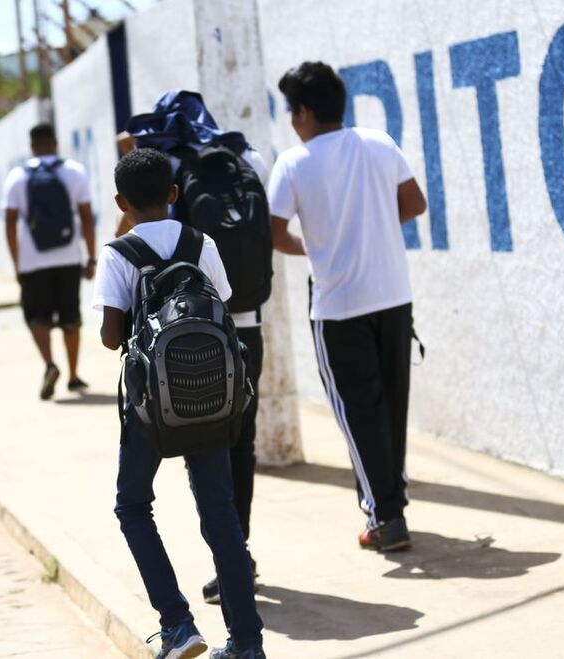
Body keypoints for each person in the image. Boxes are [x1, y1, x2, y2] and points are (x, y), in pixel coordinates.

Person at [93, 148, 266, 659]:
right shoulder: (200, 242)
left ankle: (177, 624)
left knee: (132, 505)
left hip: (152, 404)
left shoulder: (118, 253)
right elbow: (226, 305)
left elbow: (109, 336)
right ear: (174, 194)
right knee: (220, 513)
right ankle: (248, 643)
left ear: (121, 202)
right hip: (211, 398)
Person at [120, 91, 273, 604]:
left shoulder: (171, 168)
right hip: (240, 330)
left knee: (191, 451)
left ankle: (227, 568)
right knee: (238, 443)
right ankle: (238, 555)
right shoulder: (243, 157)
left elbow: (135, 237)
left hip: (170, 344)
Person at [268, 61, 427, 552]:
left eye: (293, 110)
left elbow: (274, 233)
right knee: (390, 407)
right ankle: (388, 502)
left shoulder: (294, 163)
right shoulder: (379, 142)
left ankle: (386, 515)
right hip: (394, 296)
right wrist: (373, 226)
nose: (292, 120)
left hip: (338, 306)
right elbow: (415, 203)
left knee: (358, 412)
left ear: (306, 113)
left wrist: (316, 248)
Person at [2, 122, 96, 399]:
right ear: (55, 143)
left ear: (31, 147)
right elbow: (87, 218)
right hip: (68, 258)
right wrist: (90, 257)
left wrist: (17, 262)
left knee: (36, 317)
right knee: (71, 317)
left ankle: (49, 364)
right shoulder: (75, 172)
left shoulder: (17, 177)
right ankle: (74, 375)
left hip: (32, 262)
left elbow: (9, 223)